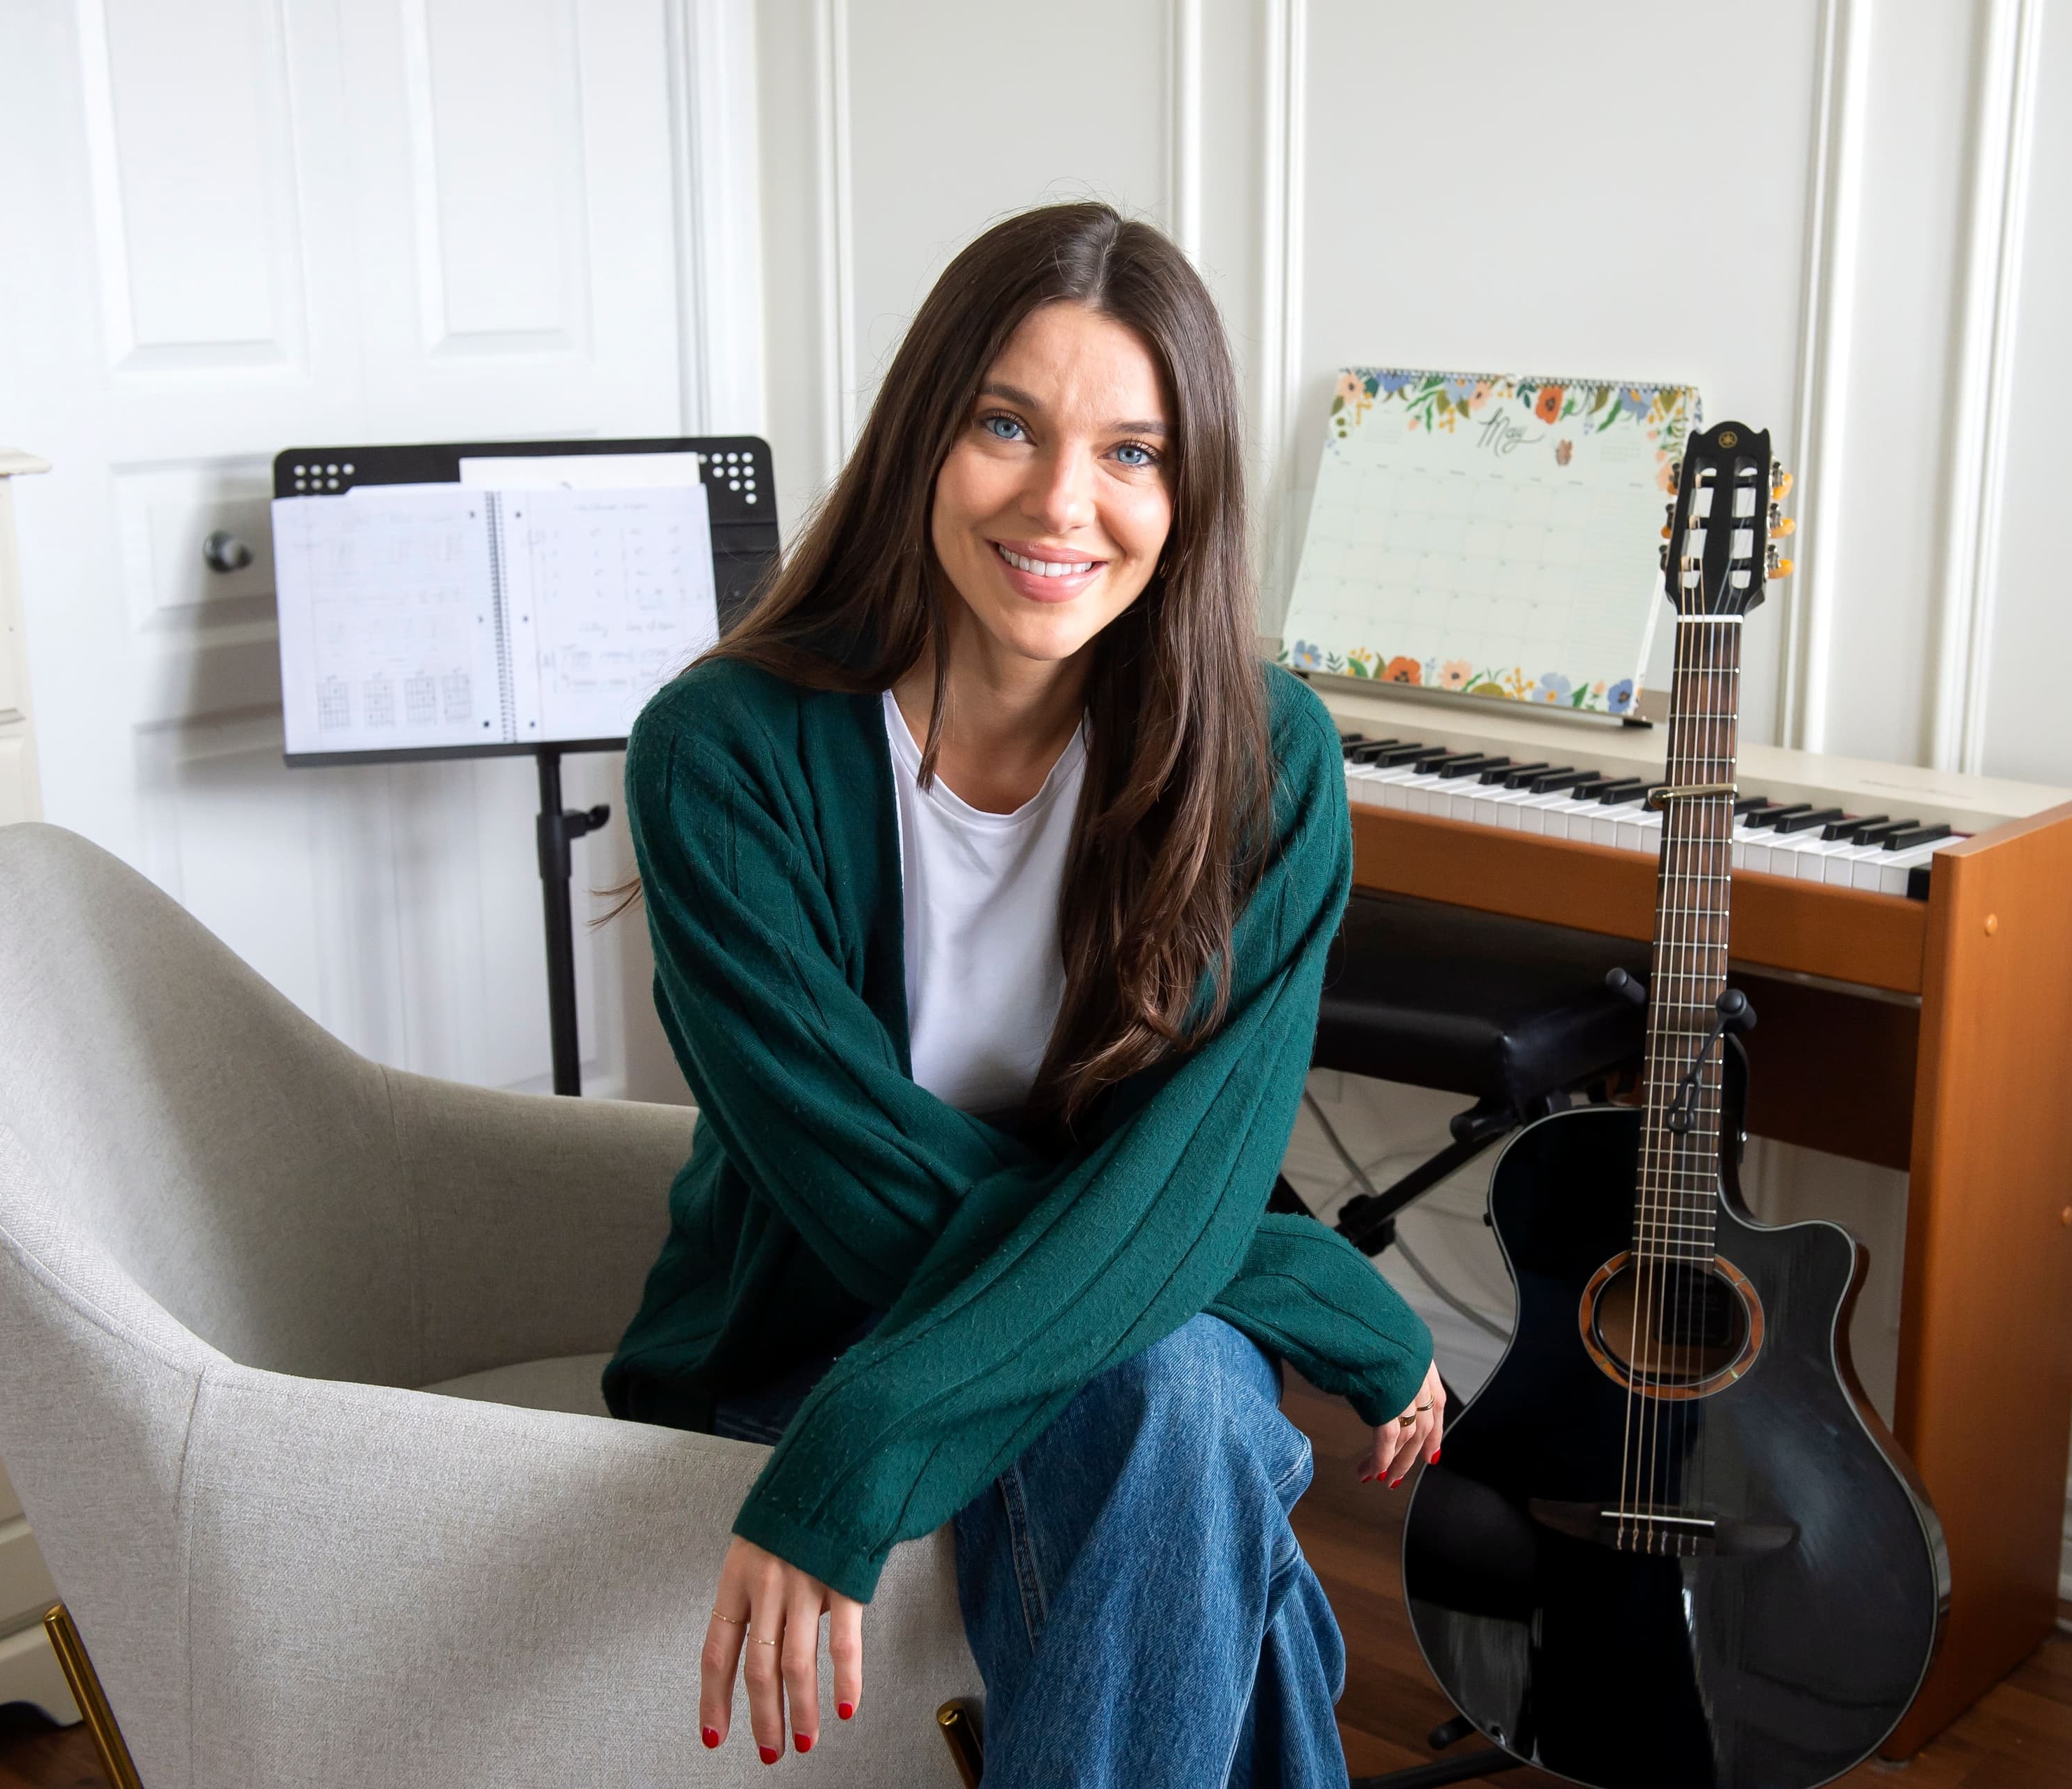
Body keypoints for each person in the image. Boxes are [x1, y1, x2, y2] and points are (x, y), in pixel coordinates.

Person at [600, 201, 1446, 1787]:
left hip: (1107, 1347)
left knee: (1172, 1393)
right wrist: (1294, 1280)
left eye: (1133, 451)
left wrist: (1191, 1251)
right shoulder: (720, 751)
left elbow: (1185, 1176)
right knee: (1190, 1405)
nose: (1066, 501)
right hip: (811, 1340)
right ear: (927, 433)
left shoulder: (1265, 764)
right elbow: (858, 1188)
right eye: (1008, 424)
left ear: (1188, 496)